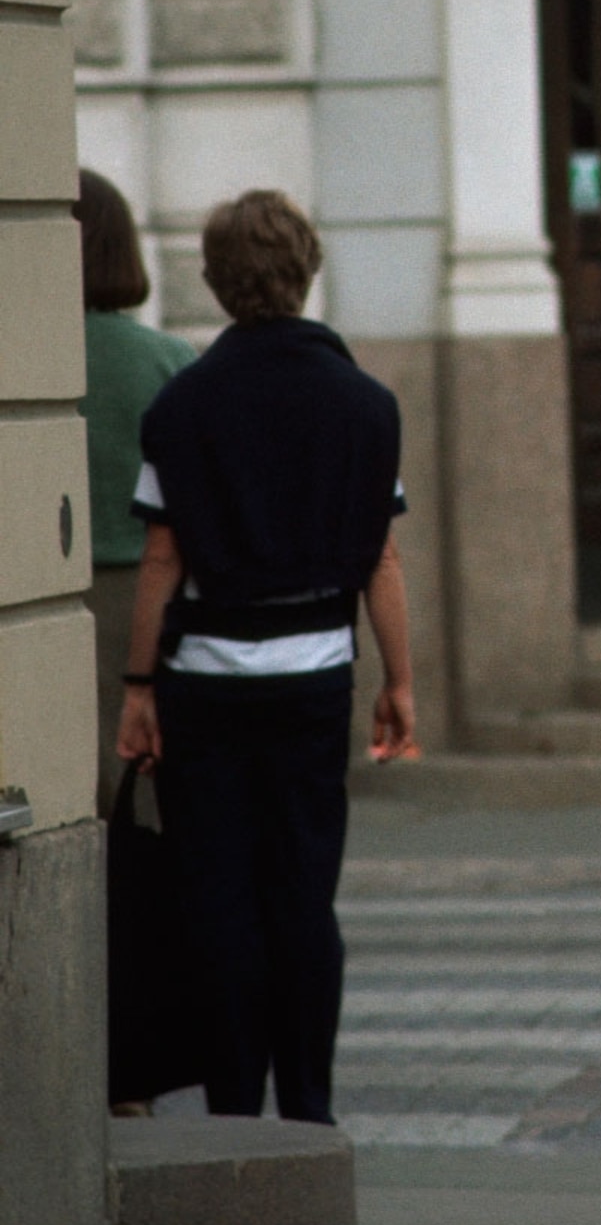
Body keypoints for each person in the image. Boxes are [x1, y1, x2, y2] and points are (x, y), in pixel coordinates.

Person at [116, 190, 416, 1126]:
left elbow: (163, 557)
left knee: (219, 895)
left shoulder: (182, 405)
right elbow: (382, 560)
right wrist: (399, 682)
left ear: (213, 280)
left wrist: (136, 687)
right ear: (307, 269)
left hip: (205, 681)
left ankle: (234, 1108)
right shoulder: (366, 407)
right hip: (314, 675)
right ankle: (311, 1107)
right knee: (301, 892)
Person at [76, 170, 195, 818]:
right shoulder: (170, 360)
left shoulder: (21, 358)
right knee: (148, 799)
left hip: (38, 597)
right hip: (153, 600)